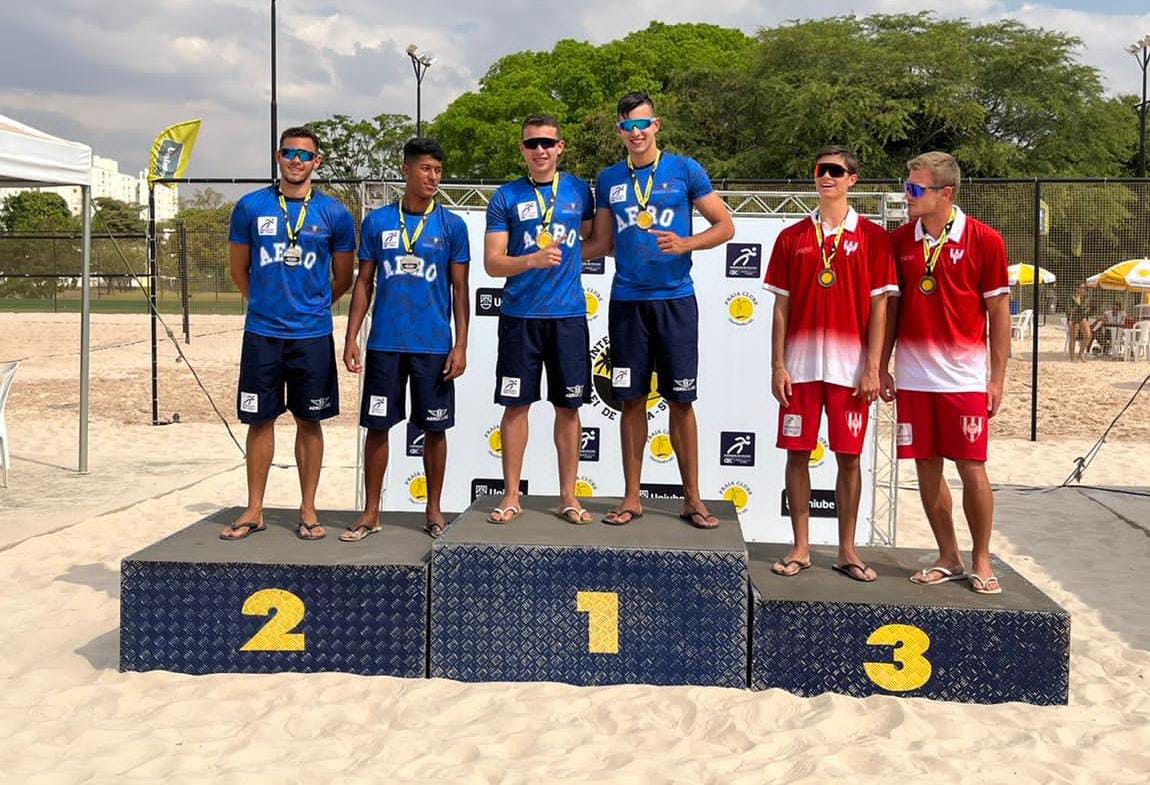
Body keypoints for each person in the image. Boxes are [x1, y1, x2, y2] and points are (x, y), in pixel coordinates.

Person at [591, 91, 735, 528]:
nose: (636, 133)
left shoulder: (685, 169)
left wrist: (688, 243)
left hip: (675, 300)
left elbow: (726, 225)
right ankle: (631, 497)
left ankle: (693, 499)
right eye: (628, 126)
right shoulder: (609, 178)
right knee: (630, 401)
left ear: (657, 126)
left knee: (680, 400)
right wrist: (544, 257)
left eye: (643, 124)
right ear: (619, 131)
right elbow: (600, 243)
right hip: (627, 302)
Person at [879, 151, 1010, 595]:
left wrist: (996, 377)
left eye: (916, 189)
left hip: (965, 377)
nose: (907, 195)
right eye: (907, 186)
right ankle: (948, 555)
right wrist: (881, 364)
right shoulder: (899, 242)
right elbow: (892, 311)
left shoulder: (985, 239)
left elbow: (999, 313)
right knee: (926, 469)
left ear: (945, 193)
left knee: (972, 468)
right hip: (915, 377)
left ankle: (982, 558)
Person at [764, 146, 897, 580]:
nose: (827, 176)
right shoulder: (792, 237)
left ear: (852, 180)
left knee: (850, 459)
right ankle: (800, 546)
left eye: (836, 171)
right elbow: (780, 307)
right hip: (800, 370)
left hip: (851, 370)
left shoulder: (875, 238)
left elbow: (880, 309)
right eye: (821, 170)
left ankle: (847, 549)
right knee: (797, 455)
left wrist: (874, 366)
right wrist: (777, 365)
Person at [222, 127, 356, 541]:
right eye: (288, 153)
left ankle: (309, 509)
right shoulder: (250, 207)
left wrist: (313, 305)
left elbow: (344, 278)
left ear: (317, 162)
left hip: (312, 335)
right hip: (262, 333)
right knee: (259, 420)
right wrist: (264, 302)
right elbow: (238, 271)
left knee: (309, 420)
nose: (296, 160)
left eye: (305, 154)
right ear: (278, 158)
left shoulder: (334, 213)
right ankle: (255, 508)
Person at [341, 137, 470, 541]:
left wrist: (461, 343)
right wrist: (351, 337)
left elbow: (461, 291)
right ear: (407, 170)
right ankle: (371, 511)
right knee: (377, 428)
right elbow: (364, 283)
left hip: (433, 346)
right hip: (384, 346)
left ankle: (433, 511)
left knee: (435, 429)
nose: (433, 177)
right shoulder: (379, 222)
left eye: (438, 170)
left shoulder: (452, 225)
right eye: (426, 169)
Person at [483, 115, 599, 525]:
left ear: (560, 147)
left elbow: (596, 240)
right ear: (522, 149)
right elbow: (493, 263)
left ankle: (568, 496)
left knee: (568, 408)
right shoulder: (506, 197)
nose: (540, 151)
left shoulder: (578, 190)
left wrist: (567, 256)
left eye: (547, 143)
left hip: (567, 315)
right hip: (520, 316)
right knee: (517, 407)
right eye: (532, 144)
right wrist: (531, 260)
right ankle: (511, 495)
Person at [1067, 284, 1092, 362]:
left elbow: (1085, 307)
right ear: (1077, 288)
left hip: (1082, 316)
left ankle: (1080, 353)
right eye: (1081, 288)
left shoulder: (1086, 297)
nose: (1083, 289)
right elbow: (1069, 309)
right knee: (1073, 337)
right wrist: (1070, 320)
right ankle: (1072, 357)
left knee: (1088, 336)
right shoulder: (1071, 297)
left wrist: (1079, 304)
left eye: (1084, 288)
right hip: (1073, 317)